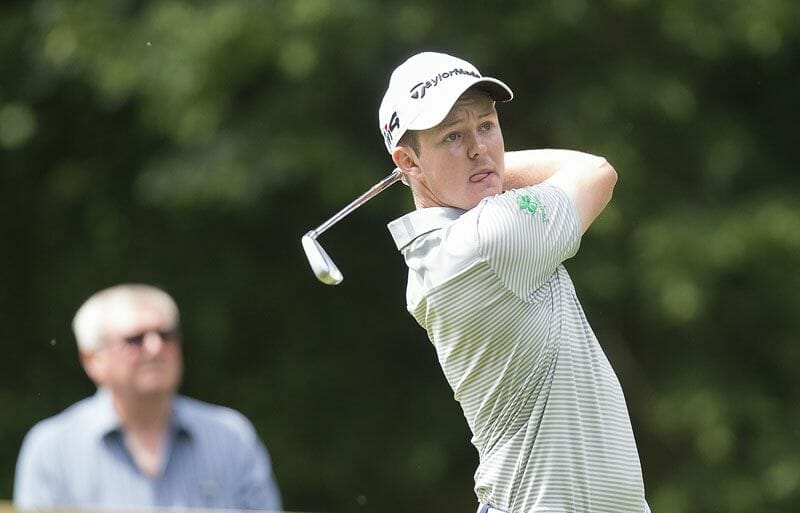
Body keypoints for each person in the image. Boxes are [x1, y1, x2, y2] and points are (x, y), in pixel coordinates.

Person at [379, 52, 650, 513]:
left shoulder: (444, 250)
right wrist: (490, 167)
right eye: (452, 136)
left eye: (486, 126)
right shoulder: (488, 239)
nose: (478, 148)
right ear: (407, 161)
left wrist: (454, 167)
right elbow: (596, 172)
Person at [14, 283, 283, 511]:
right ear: (93, 360)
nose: (155, 348)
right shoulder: (53, 449)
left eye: (166, 335)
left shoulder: (231, 437)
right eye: (135, 339)